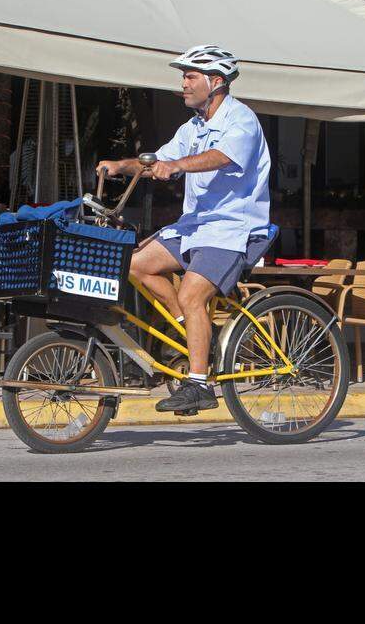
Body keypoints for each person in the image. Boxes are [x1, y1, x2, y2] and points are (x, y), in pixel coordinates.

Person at [96, 45, 271, 414]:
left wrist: (178, 166)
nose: (183, 84)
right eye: (184, 77)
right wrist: (121, 165)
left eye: (190, 77)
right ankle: (194, 331)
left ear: (216, 81)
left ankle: (199, 384)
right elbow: (156, 160)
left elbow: (221, 157)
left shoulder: (241, 120)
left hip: (232, 229)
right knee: (135, 264)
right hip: (194, 226)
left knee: (192, 295)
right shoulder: (192, 128)